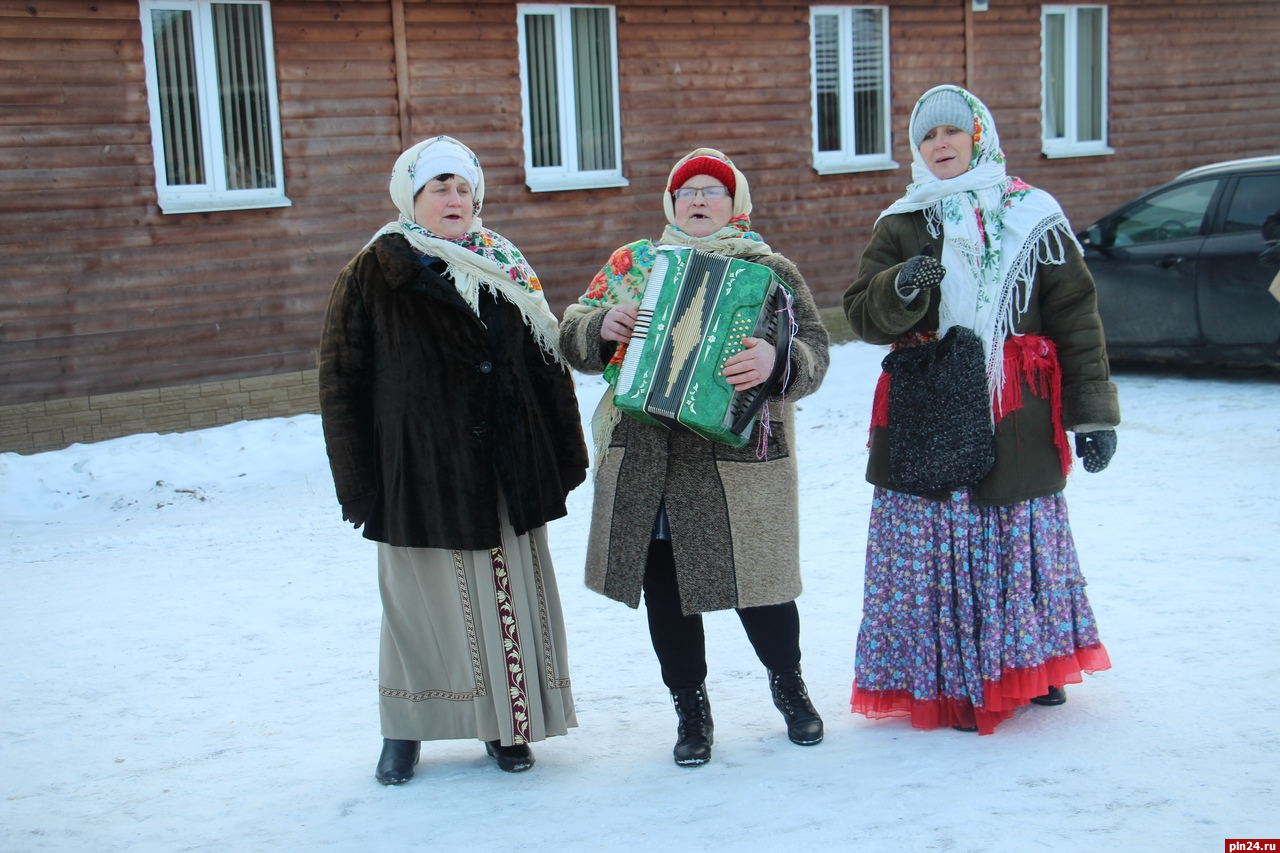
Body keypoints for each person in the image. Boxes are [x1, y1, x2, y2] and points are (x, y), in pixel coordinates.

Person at [843, 86, 1119, 735]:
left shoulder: (1033, 214)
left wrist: (1093, 414)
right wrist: (900, 287)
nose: (939, 146)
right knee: (933, 541)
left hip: (1013, 408)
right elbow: (861, 310)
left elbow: (1077, 317)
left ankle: (1036, 663)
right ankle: (939, 675)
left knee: (1015, 537)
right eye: (926, 137)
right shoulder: (903, 220)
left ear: (979, 136)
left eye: (950, 133)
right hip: (930, 405)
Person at [318, 136, 589, 782]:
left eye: (463, 188)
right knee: (414, 610)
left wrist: (561, 453)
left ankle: (507, 724)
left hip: (502, 469)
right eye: (439, 187)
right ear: (411, 197)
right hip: (416, 473)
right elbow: (341, 382)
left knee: (506, 600)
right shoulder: (374, 271)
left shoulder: (504, 267)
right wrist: (358, 483)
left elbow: (544, 363)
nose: (454, 199)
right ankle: (405, 728)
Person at [559, 149, 831, 766]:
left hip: (739, 460)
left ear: (736, 203)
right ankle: (691, 710)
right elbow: (570, 331)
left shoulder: (770, 269)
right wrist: (603, 325)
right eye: (688, 193)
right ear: (671, 204)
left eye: (714, 190)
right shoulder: (636, 265)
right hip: (650, 456)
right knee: (666, 588)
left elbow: (814, 346)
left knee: (761, 585)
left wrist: (777, 361)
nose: (700, 200)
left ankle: (789, 687)